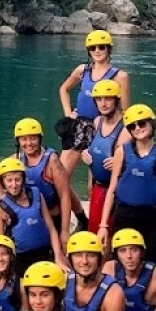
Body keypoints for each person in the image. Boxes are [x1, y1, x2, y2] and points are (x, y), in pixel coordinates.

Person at [96, 103, 156, 265]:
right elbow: (112, 189)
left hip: (151, 217)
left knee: (149, 263)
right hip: (124, 214)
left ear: (151, 124)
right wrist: (103, 224)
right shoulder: (122, 152)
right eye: (132, 126)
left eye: (142, 123)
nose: (138, 128)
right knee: (121, 262)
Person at [57, 30, 130, 191]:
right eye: (93, 48)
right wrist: (68, 114)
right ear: (88, 51)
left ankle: (92, 213)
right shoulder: (83, 71)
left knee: (95, 183)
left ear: (109, 49)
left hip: (103, 129)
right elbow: (64, 89)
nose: (97, 51)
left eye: (102, 47)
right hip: (79, 126)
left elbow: (125, 112)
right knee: (60, 178)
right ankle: (80, 214)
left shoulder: (120, 76)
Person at [0, 156, 62, 271]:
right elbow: (0, 244)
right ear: (3, 183)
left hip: (45, 253)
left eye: (17, 179)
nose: (14, 185)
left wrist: (58, 257)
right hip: (20, 260)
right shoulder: (0, 209)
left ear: (23, 180)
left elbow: (51, 229)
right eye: (9, 180)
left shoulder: (37, 195)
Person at [15, 118, 77, 241]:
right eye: (24, 139)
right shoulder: (16, 159)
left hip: (53, 217)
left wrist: (64, 231)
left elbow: (64, 196)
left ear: (40, 139)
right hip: (29, 220)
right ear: (18, 141)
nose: (29, 143)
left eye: (33, 138)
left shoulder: (52, 161)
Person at [80, 80, 126, 234]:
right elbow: (95, 150)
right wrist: (85, 155)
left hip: (117, 193)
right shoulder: (97, 121)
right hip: (98, 187)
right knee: (94, 233)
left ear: (116, 100)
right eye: (99, 99)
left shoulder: (127, 126)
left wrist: (122, 163)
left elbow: (141, 155)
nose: (103, 103)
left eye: (108, 99)